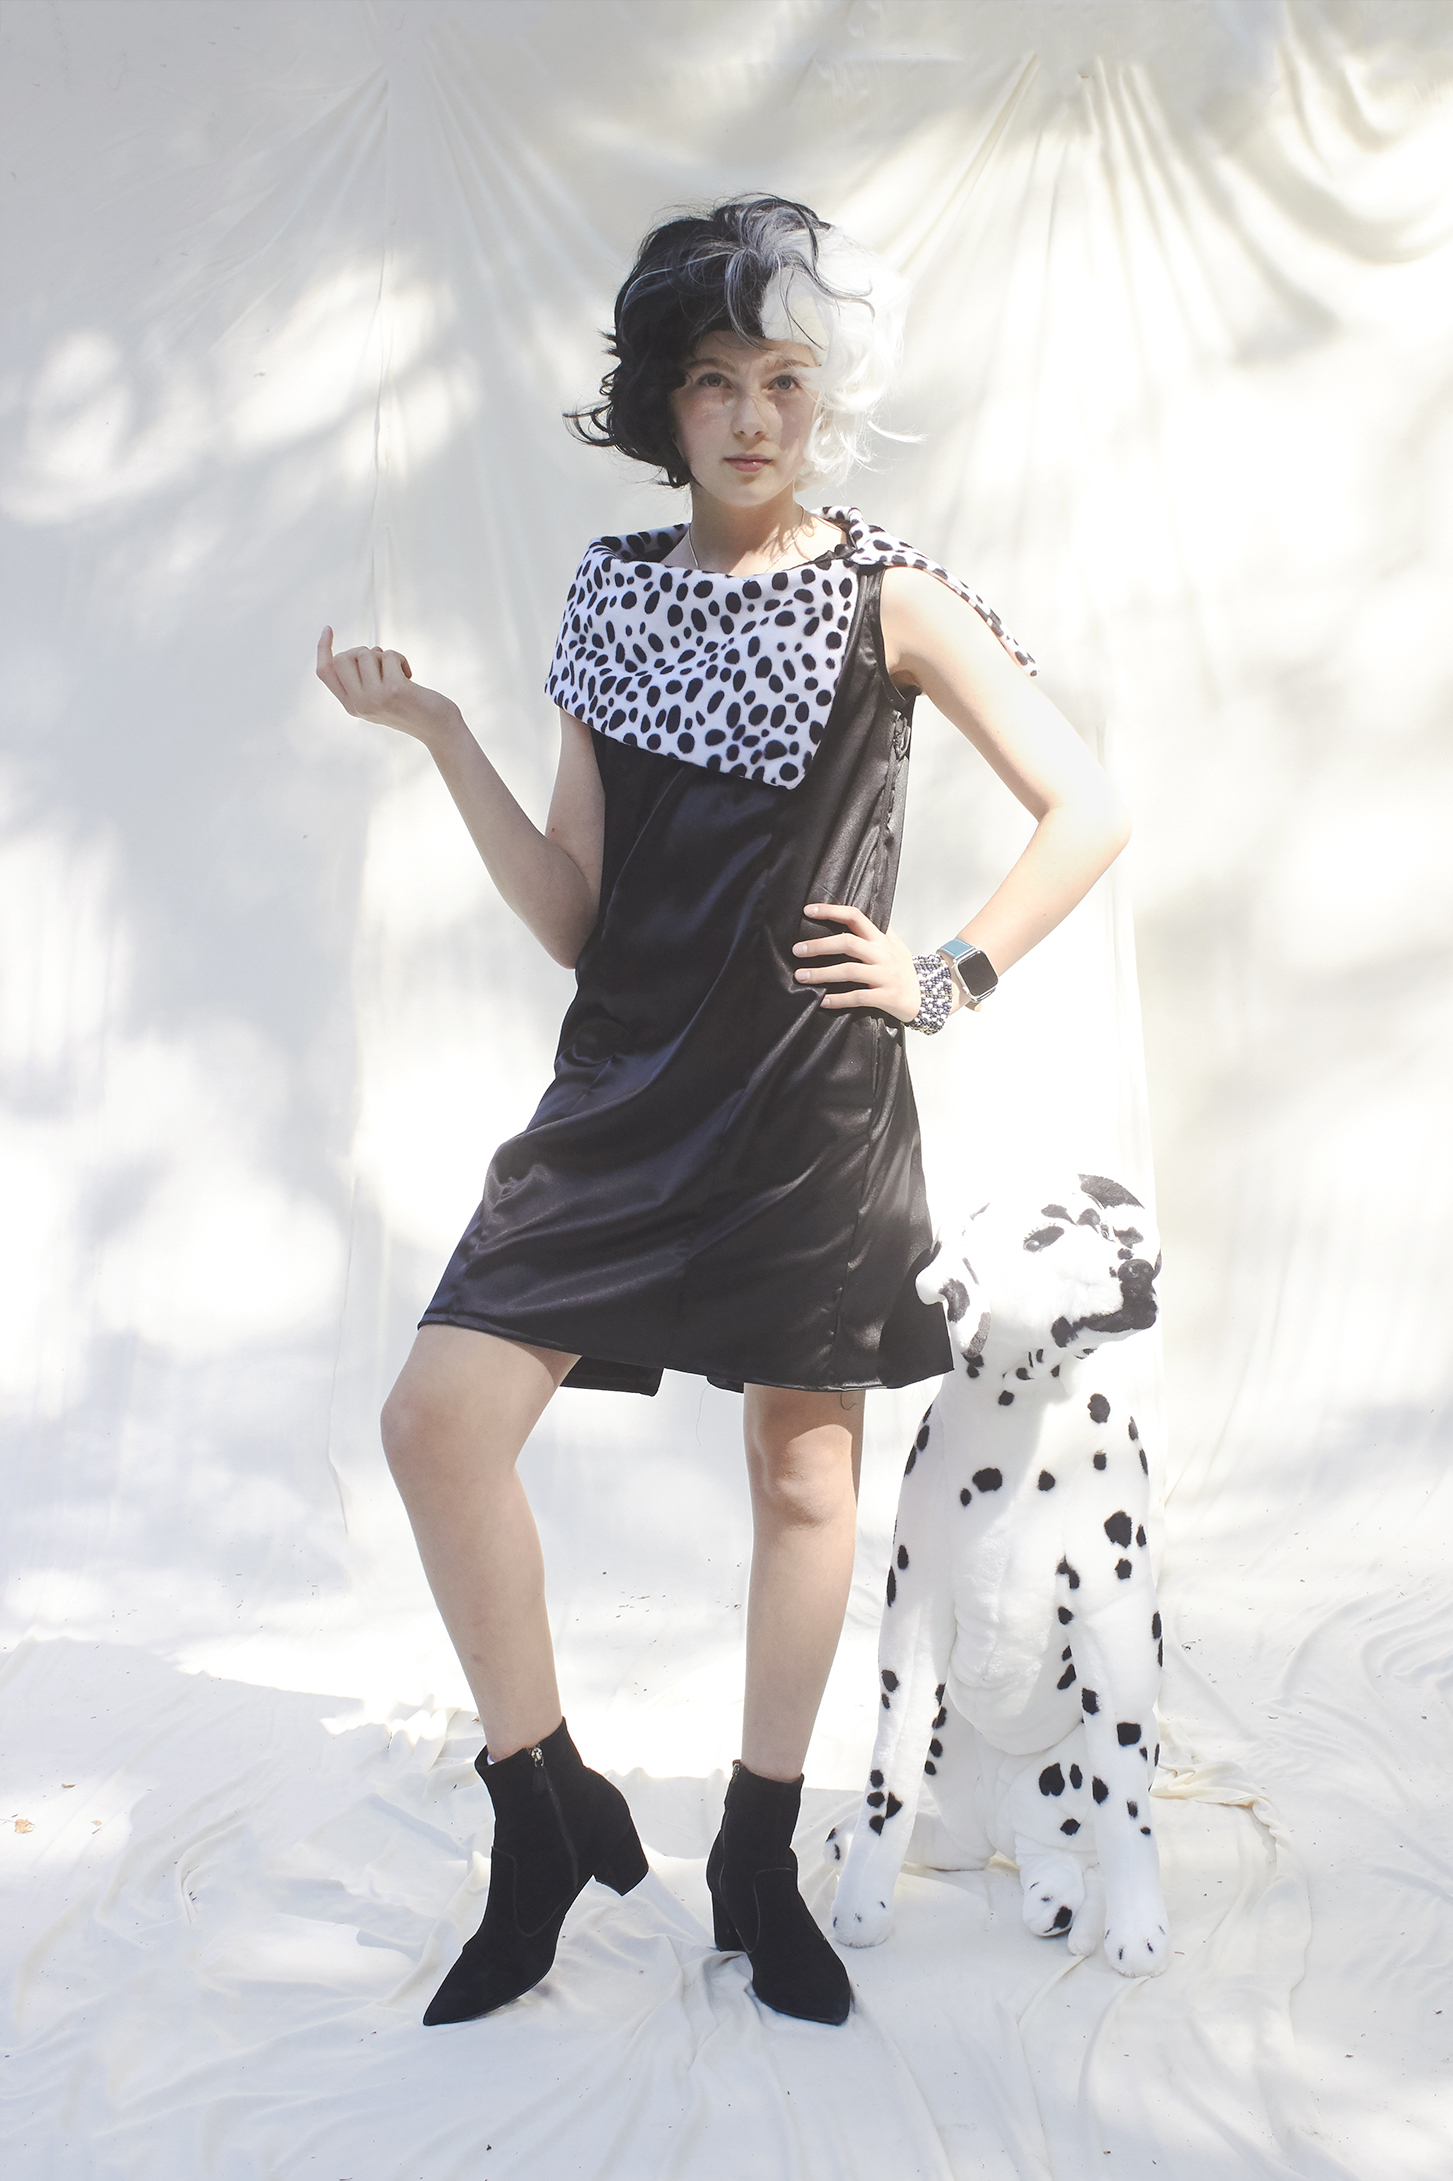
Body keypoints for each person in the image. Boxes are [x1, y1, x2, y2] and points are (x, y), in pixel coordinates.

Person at [315, 195, 1129, 2031]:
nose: (750, 415)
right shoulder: (610, 595)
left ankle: (757, 1854)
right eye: (710, 381)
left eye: (781, 377)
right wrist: (445, 735)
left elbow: (1086, 803)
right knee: (439, 1423)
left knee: (799, 1470)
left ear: (821, 396)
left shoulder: (886, 594)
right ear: (658, 406)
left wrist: (948, 975)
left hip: (801, 1102)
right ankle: (544, 1805)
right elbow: (579, 921)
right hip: (617, 1089)